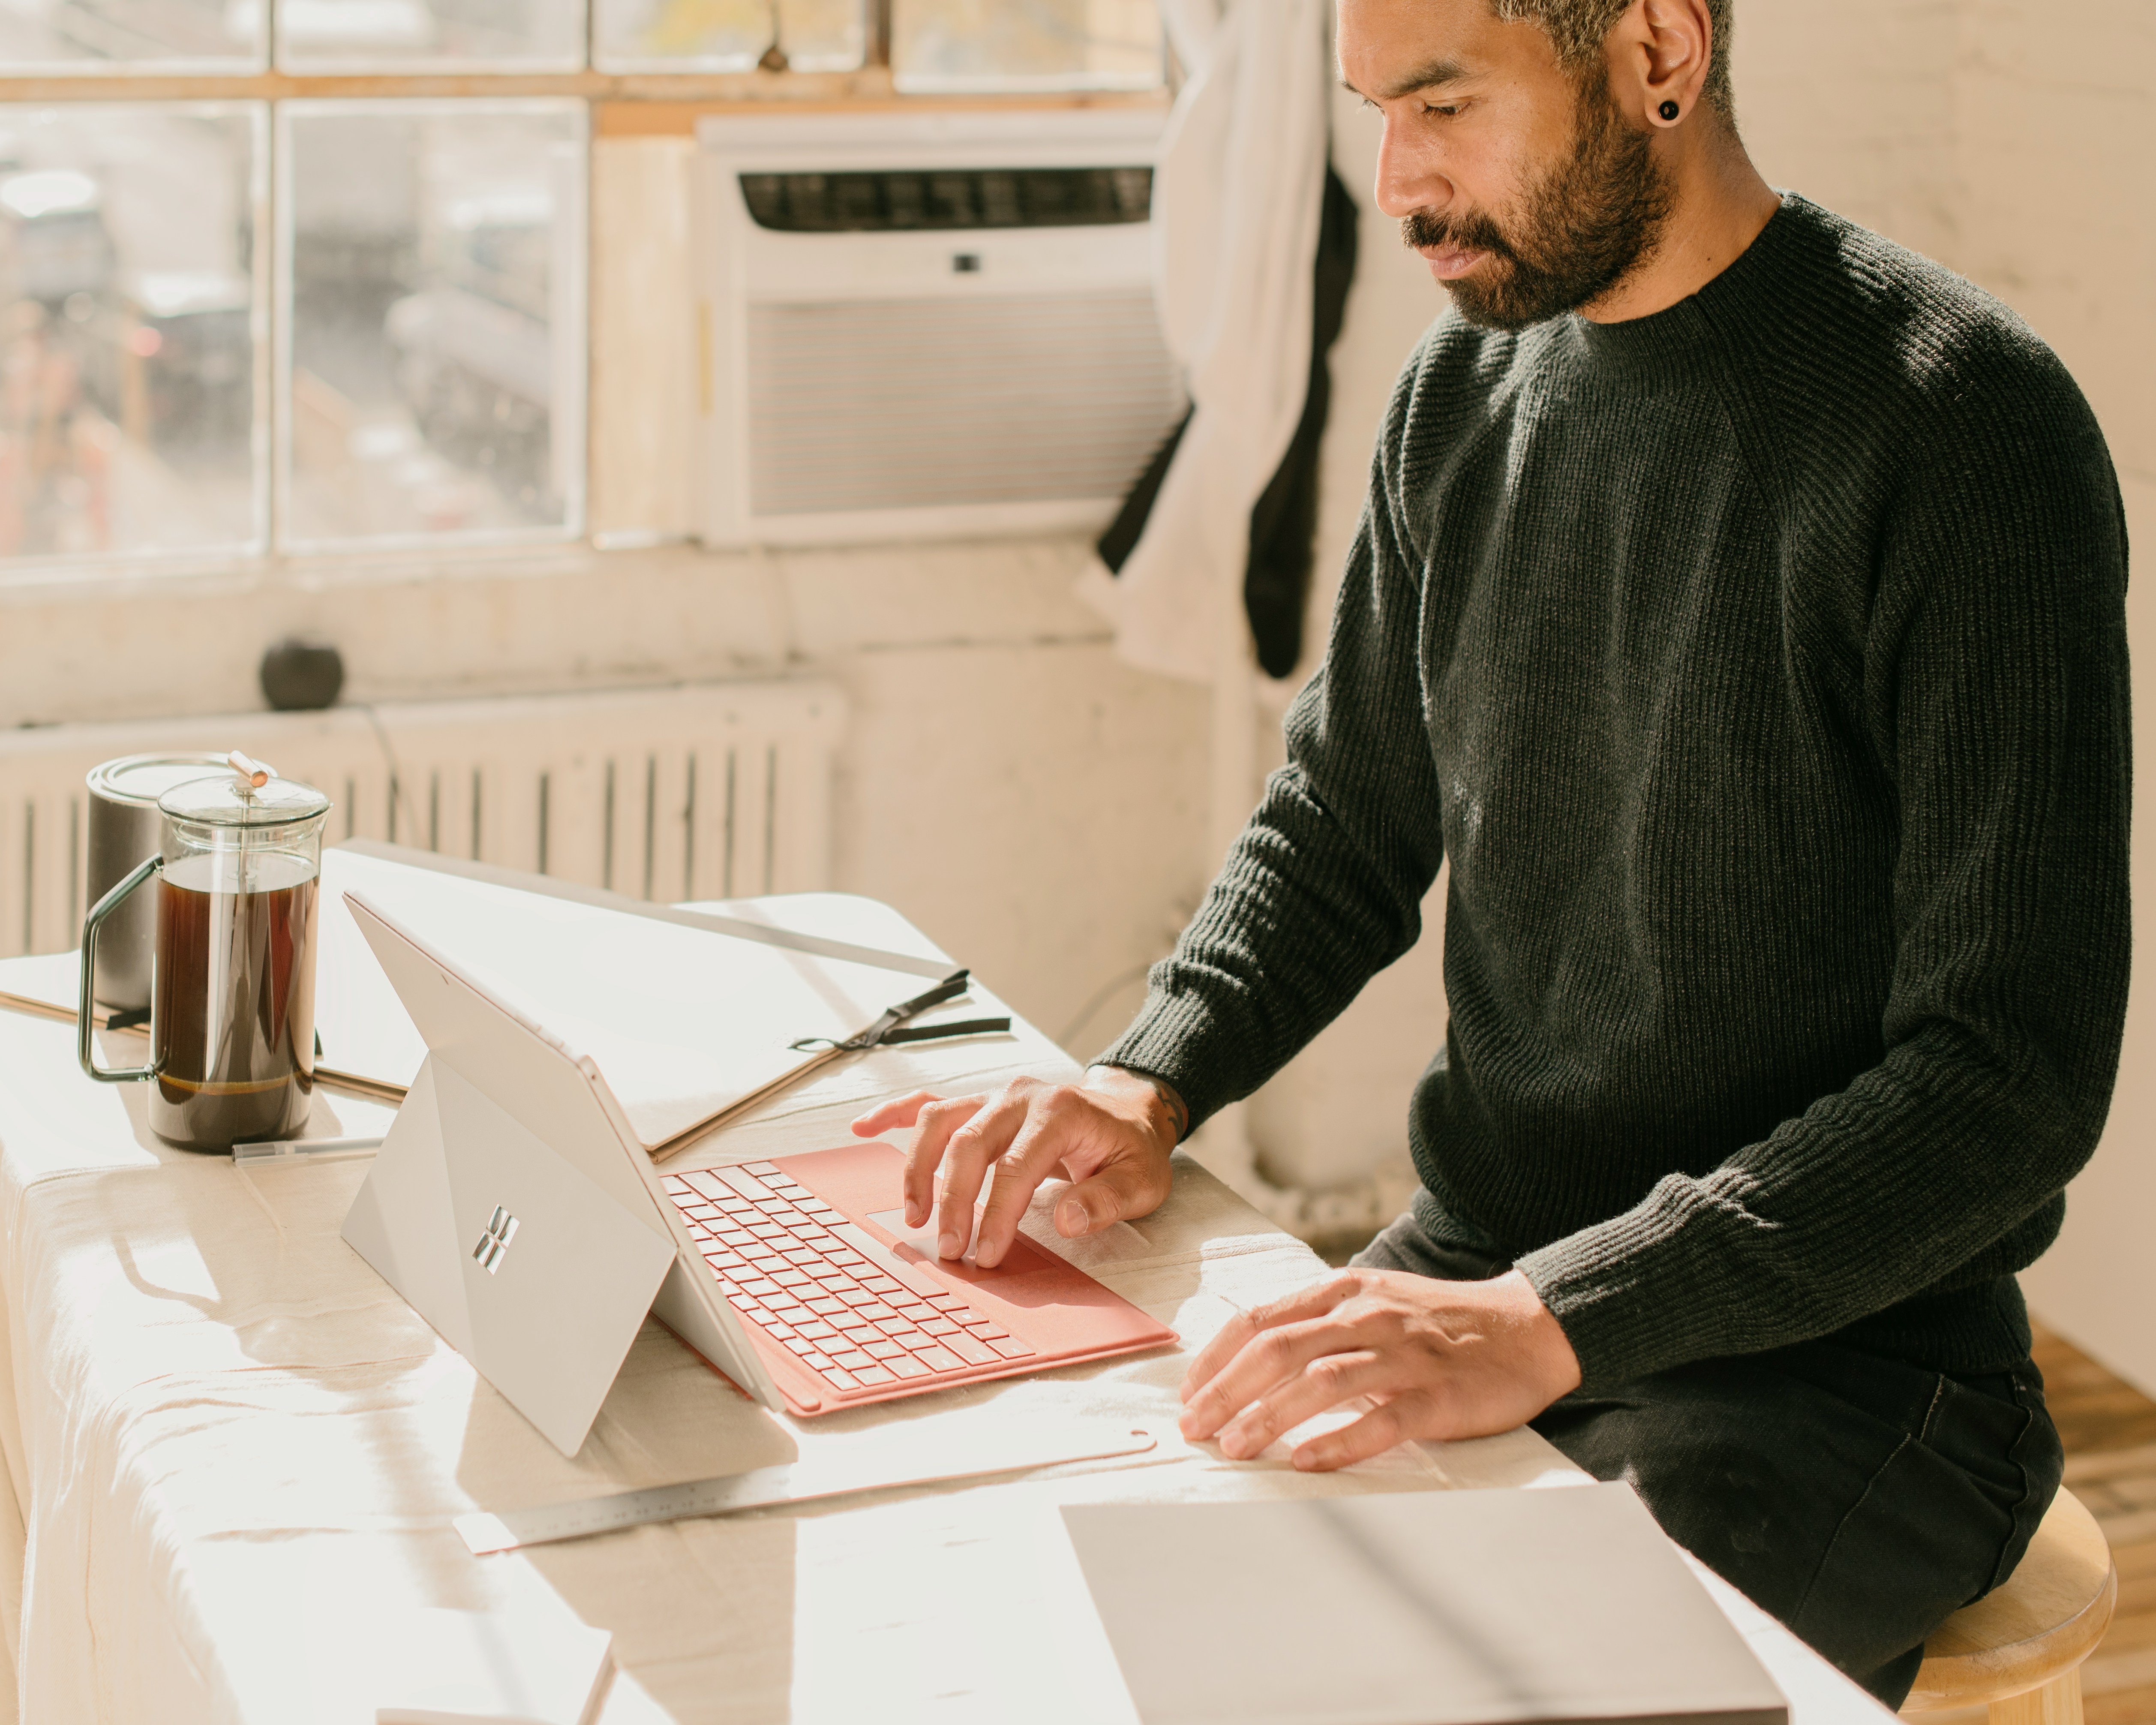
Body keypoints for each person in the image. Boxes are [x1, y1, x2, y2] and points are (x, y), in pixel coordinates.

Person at [852, 0, 2132, 1700]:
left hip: (1840, 1376)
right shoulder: (1459, 394)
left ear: (1657, 52)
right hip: (1481, 1277)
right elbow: (1341, 818)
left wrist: (1549, 1319)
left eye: (1445, 105)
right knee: (1085, 1610)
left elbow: (2004, 1079)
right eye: (1375, 110)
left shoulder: (1961, 426)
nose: (1395, 178)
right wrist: (1142, 1079)